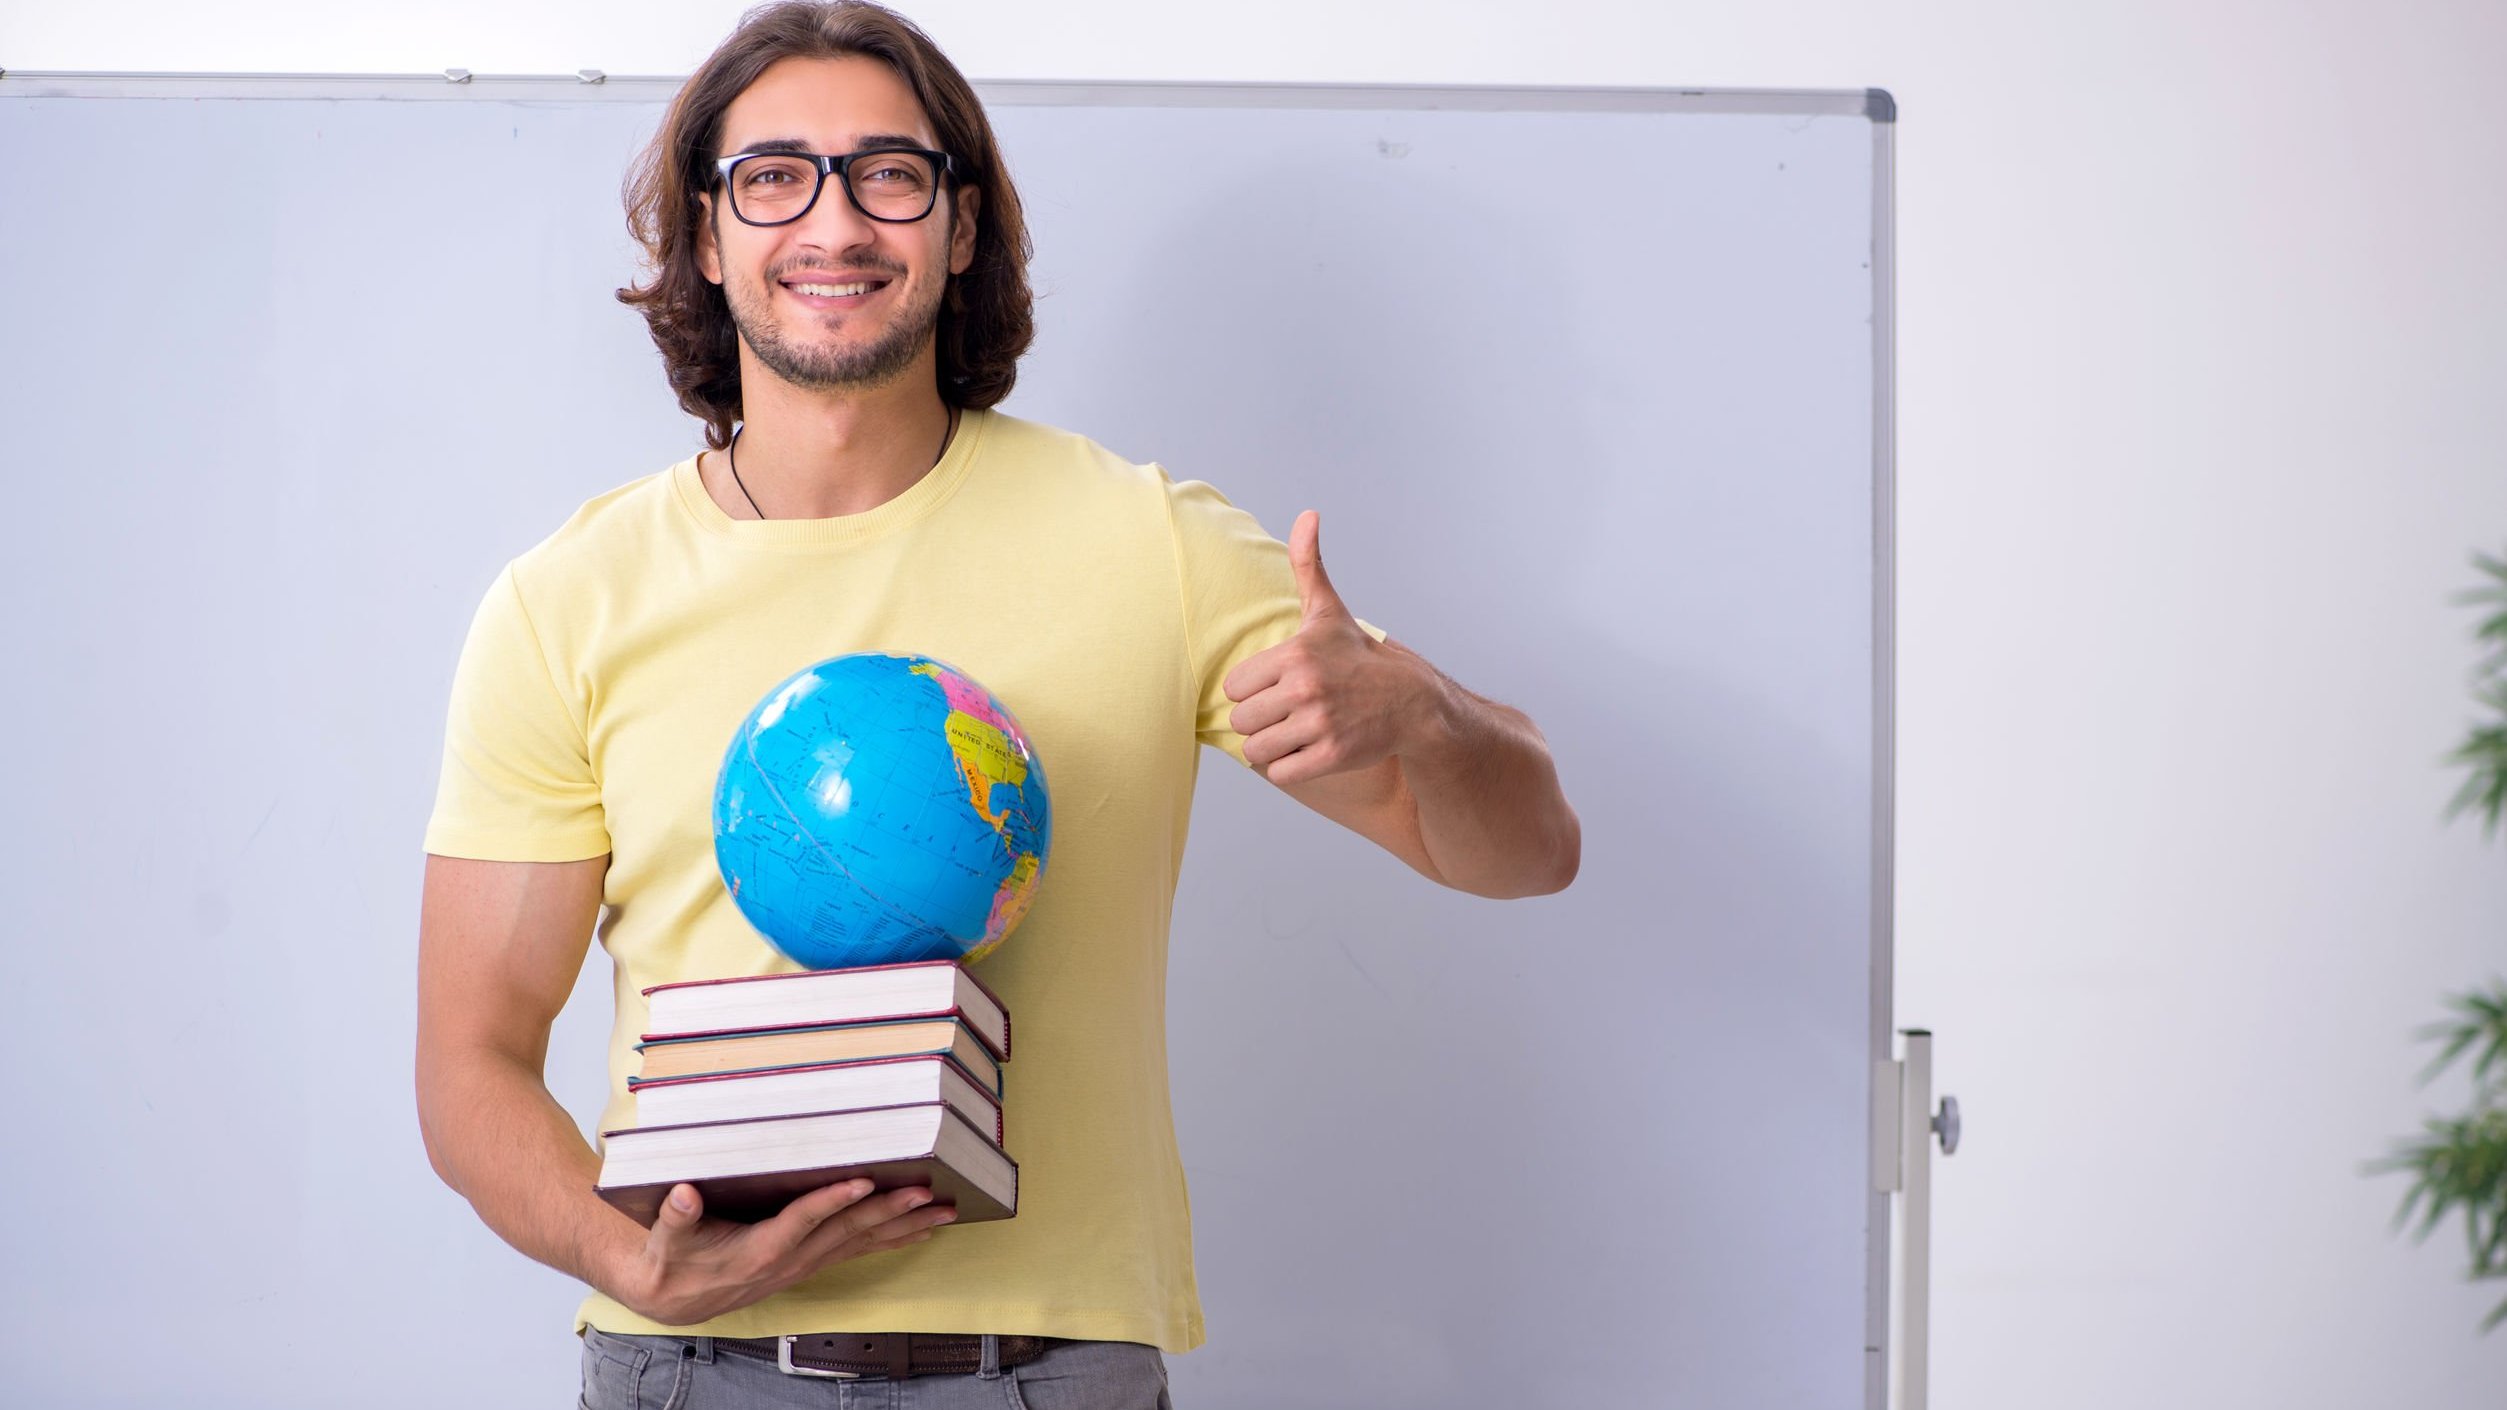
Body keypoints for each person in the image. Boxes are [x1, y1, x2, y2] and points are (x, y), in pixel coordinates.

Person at [414, 3, 1581, 1405]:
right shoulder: (568, 600)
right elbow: (471, 1059)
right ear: (708, 239)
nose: (834, 223)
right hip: (693, 1369)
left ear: (960, 228)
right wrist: (633, 1255)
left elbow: (1530, 850)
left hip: (1052, 1373)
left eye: (889, 174)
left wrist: (1424, 720)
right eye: (773, 177)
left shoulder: (1147, 541)